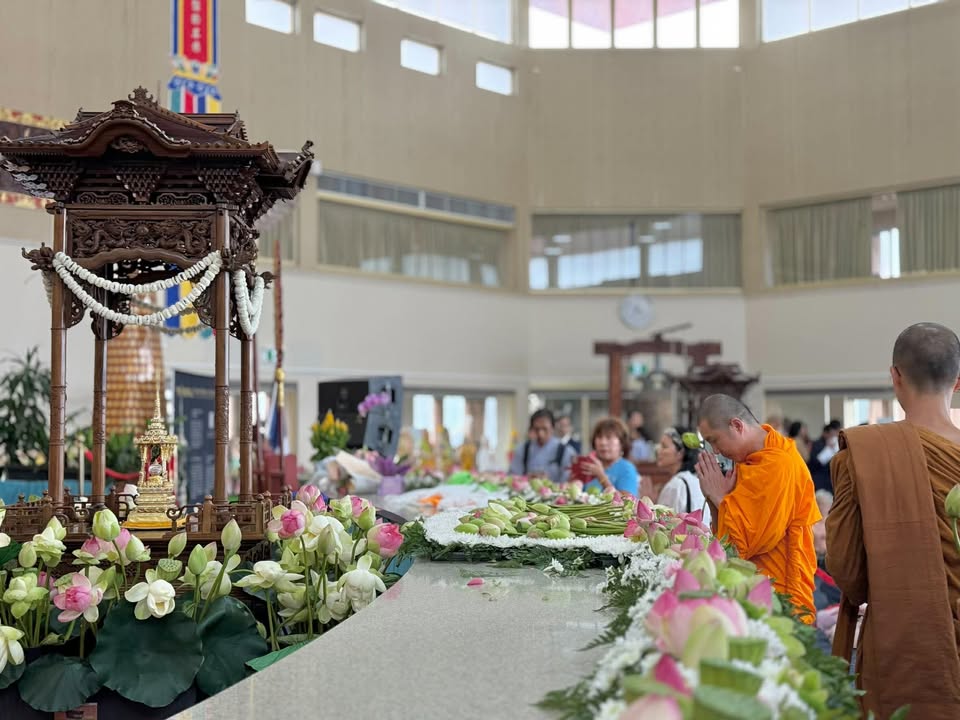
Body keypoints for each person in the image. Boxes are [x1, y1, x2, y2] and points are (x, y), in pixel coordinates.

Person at [826, 323, 960, 719]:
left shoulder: (868, 454)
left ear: (895, 376)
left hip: (905, 644)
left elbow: (847, 570)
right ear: (957, 382)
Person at [695, 394, 820, 622]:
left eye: (715, 440)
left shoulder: (778, 464)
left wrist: (719, 496)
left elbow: (745, 545)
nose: (715, 451)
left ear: (737, 425)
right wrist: (715, 499)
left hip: (781, 598)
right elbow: (726, 542)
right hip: (752, 587)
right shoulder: (749, 461)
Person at [654, 426, 711, 526]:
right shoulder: (694, 480)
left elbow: (663, 525)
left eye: (664, 446)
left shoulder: (676, 485)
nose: (659, 451)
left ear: (680, 453)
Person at [508, 409, 575, 484]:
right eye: (536, 429)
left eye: (545, 429)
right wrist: (527, 478)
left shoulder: (566, 451)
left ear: (553, 428)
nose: (540, 434)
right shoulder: (522, 450)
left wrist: (548, 482)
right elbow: (513, 477)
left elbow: (568, 482)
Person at [581, 417, 639, 495]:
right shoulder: (590, 466)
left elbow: (627, 502)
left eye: (609, 438)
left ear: (621, 443)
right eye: (599, 437)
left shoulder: (627, 469)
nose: (603, 443)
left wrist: (601, 477)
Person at [807, 420, 841, 492]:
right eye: (832, 435)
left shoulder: (838, 446)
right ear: (826, 434)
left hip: (832, 481)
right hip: (820, 480)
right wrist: (827, 450)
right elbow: (812, 464)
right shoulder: (817, 444)